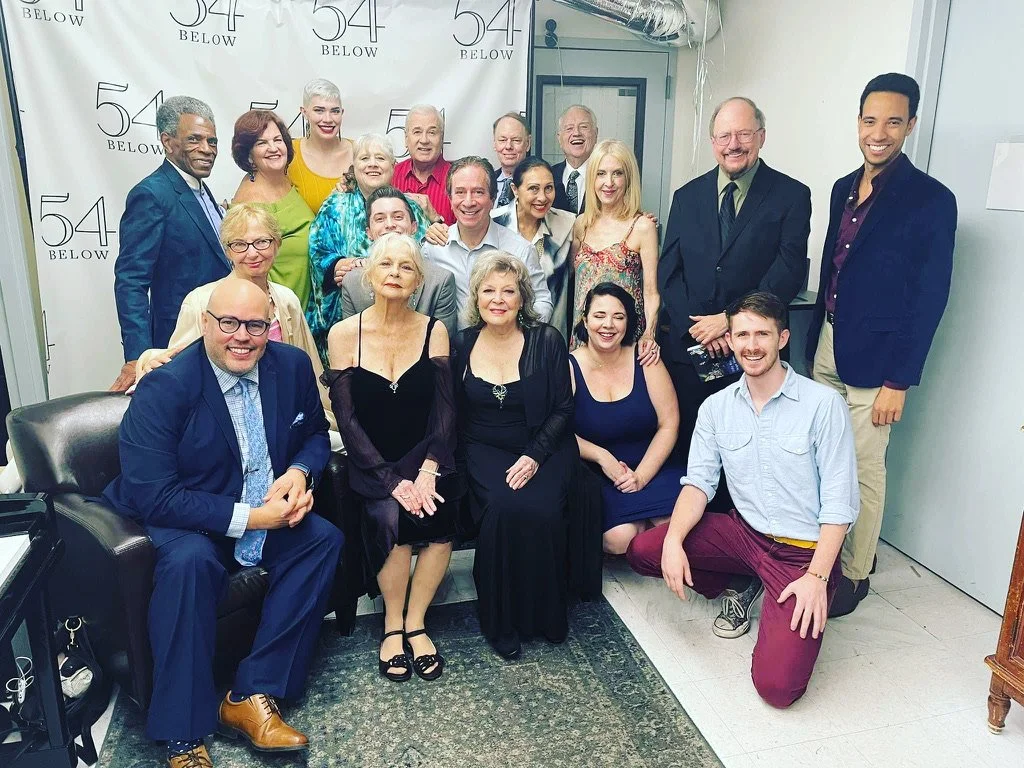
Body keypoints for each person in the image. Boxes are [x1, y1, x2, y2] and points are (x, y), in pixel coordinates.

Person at [102, 279, 343, 767]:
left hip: (264, 507)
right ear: (206, 324)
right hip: (187, 513)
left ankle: (252, 693)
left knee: (321, 540)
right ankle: (182, 733)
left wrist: (299, 474)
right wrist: (255, 517)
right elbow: (155, 495)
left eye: (256, 324)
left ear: (269, 325)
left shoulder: (291, 366)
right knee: (189, 565)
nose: (242, 336)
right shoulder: (166, 386)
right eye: (229, 323)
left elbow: (315, 436)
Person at [626, 291, 858, 709]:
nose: (752, 345)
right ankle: (741, 582)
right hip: (744, 535)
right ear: (729, 341)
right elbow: (698, 483)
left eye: (763, 334)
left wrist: (817, 578)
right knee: (646, 550)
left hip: (801, 556)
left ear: (782, 338)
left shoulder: (823, 406)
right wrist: (675, 541)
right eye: (743, 334)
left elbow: (840, 505)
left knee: (777, 690)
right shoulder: (716, 408)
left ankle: (784, 593)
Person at [806, 73, 957, 617]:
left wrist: (900, 380)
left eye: (894, 121)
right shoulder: (842, 186)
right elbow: (833, 265)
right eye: (871, 120)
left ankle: (854, 572)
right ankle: (821, 552)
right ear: (858, 122)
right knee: (823, 460)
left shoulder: (932, 200)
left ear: (911, 125)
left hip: (880, 363)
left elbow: (930, 297)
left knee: (863, 467)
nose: (880, 132)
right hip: (829, 341)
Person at [323, 233, 457, 682]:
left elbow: (444, 408)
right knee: (388, 520)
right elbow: (347, 419)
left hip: (427, 457)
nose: (395, 274)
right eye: (386, 265)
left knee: (440, 520)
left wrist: (428, 471)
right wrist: (392, 481)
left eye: (406, 267)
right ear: (369, 275)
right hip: (373, 461)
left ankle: (416, 622)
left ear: (418, 280)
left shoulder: (433, 330)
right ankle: (392, 625)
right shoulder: (344, 333)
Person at [658, 96, 811, 468]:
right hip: (689, 351)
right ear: (713, 142)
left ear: (761, 136)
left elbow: (786, 272)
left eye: (743, 133)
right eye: (724, 135)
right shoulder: (687, 196)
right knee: (690, 454)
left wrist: (729, 321)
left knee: (750, 456)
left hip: (754, 351)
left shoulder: (791, 195)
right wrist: (699, 330)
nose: (733, 144)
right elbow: (669, 272)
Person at [453, 252, 577, 659]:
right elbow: (453, 411)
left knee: (541, 510)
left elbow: (563, 407)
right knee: (504, 507)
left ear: (523, 297)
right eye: (489, 291)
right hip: (482, 448)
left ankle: (546, 615)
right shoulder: (462, 344)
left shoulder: (548, 340)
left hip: (544, 446)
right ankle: (500, 620)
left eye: (508, 291)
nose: (498, 299)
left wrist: (535, 455)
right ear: (476, 298)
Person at [133, 203, 338, 443]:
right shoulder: (200, 302)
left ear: (277, 245)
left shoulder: (286, 300)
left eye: (262, 242)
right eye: (240, 244)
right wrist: (147, 360)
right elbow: (178, 366)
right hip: (225, 425)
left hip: (285, 416)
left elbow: (309, 367)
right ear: (227, 250)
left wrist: (327, 419)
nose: (253, 253)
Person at [112, 95, 230, 391]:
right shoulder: (151, 195)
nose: (207, 150)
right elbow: (131, 281)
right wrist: (139, 357)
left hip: (218, 339)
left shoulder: (201, 190)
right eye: (195, 140)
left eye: (212, 142)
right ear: (167, 142)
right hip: (179, 344)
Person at [570, 283, 682, 553]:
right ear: (585, 320)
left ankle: (647, 534)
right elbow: (557, 431)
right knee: (619, 538)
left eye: (618, 317)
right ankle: (640, 534)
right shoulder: (568, 366)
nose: (608, 325)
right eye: (599, 316)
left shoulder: (645, 358)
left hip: (653, 465)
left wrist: (641, 476)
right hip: (601, 474)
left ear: (628, 322)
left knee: (672, 523)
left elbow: (669, 423)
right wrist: (601, 456)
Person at [307, 134, 431, 363]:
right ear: (354, 167)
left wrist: (439, 223)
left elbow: (427, 253)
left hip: (407, 318)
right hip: (347, 319)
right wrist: (336, 265)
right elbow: (317, 251)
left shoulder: (411, 206)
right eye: (365, 158)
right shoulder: (335, 205)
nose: (373, 164)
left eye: (381, 158)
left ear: (394, 167)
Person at [421, 156, 552, 326]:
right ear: (450, 199)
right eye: (460, 192)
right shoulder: (433, 248)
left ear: (492, 199)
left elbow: (542, 303)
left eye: (478, 192)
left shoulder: (520, 250)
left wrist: (516, 332)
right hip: (448, 350)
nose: (469, 202)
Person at [571, 139, 660, 363]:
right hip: (584, 341)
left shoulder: (642, 227)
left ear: (628, 178)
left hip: (625, 342)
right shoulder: (581, 224)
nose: (608, 182)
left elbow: (651, 291)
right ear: (592, 179)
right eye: (601, 173)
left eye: (617, 173)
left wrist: (650, 333)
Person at [340, 186, 459, 341]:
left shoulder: (440, 281)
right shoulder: (352, 281)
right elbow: (351, 345)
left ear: (414, 227)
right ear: (368, 232)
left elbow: (442, 348)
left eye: (398, 217)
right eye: (380, 219)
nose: (389, 225)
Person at [230, 110, 315, 309]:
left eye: (278, 140)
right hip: (279, 313)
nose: (273, 148)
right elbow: (248, 271)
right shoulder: (250, 204)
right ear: (248, 154)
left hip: (306, 307)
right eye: (262, 143)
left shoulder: (282, 179)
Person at [490, 156, 575, 340]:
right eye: (533, 189)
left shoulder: (568, 224)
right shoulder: (493, 222)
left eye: (548, 188)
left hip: (550, 337)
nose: (543, 197)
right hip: (501, 336)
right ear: (515, 190)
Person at [288, 78, 355, 215]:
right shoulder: (288, 153)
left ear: (342, 113)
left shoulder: (360, 151)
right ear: (304, 112)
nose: (328, 119)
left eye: (335, 111)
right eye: (319, 111)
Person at [392, 104, 455, 225]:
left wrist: (435, 218)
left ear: (441, 138)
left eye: (432, 132)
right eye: (417, 132)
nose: (424, 140)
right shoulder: (392, 176)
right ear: (406, 138)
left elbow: (467, 237)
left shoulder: (457, 179)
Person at [552, 104, 599, 215]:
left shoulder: (607, 178)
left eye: (584, 127)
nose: (576, 133)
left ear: (596, 134)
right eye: (569, 128)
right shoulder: (548, 175)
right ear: (559, 138)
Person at [491, 112, 531, 208]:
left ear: (528, 143)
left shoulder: (543, 183)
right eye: (502, 140)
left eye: (516, 140)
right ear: (494, 143)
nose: (508, 146)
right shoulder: (487, 182)